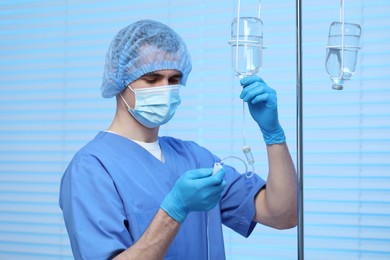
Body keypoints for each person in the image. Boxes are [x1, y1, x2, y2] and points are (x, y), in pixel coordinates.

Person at [59, 19, 297, 260]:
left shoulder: (195, 158)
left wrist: (273, 134)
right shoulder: (92, 168)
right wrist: (175, 209)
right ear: (120, 81)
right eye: (152, 79)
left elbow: (283, 215)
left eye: (174, 80)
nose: (165, 89)